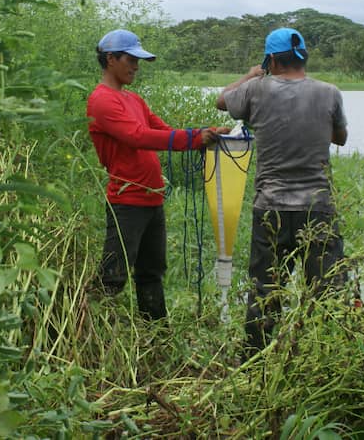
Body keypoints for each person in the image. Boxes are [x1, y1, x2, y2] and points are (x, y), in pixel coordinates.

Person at [216, 27, 348, 354]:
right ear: (303, 57)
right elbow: (340, 137)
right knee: (327, 290)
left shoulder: (255, 90)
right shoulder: (329, 92)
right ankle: (328, 359)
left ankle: (255, 361)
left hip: (270, 207)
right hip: (317, 208)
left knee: (265, 291)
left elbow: (222, 100)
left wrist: (248, 75)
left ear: (271, 59)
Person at [87, 29, 224, 320]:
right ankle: (87, 329)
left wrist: (204, 133)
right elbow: (138, 137)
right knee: (113, 275)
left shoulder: (134, 100)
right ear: (111, 59)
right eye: (131, 60)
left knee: (151, 273)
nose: (136, 67)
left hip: (151, 199)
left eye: (138, 61)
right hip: (127, 201)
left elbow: (160, 130)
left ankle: (157, 335)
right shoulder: (102, 101)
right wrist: (193, 140)